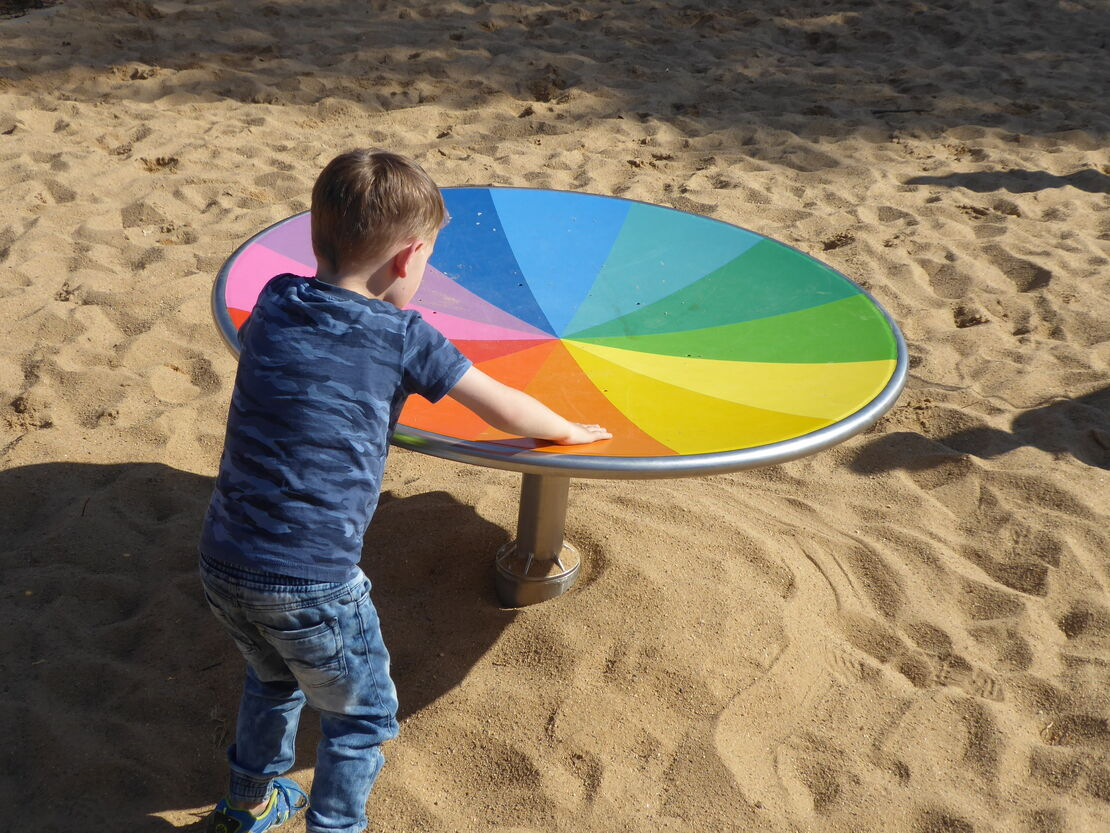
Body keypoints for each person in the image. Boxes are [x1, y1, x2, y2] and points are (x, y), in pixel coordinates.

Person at [199, 148, 610, 833]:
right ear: (406, 258)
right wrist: (566, 428)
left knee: (272, 679)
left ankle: (248, 803)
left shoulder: (274, 299)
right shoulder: (403, 336)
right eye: (429, 262)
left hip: (223, 558)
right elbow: (499, 405)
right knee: (359, 715)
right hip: (313, 579)